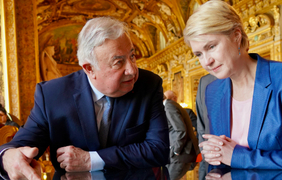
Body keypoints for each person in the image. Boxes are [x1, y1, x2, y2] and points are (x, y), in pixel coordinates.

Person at [0, 16, 169, 180]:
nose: (132, 70)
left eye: (132, 56)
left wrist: (91, 159)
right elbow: (21, 145)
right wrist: (7, 156)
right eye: (118, 62)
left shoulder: (149, 84)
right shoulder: (52, 95)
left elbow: (159, 150)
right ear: (89, 68)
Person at [183, 0, 282, 173]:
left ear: (236, 36)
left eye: (211, 46)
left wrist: (237, 157)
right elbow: (221, 158)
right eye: (199, 54)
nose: (206, 61)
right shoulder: (212, 91)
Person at [163, 90, 199, 180]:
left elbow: (180, 130)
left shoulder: (168, 105)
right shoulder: (170, 105)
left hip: (181, 154)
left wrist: (176, 150)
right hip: (180, 155)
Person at [195, 74, 216, 179]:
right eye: (199, 56)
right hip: (212, 164)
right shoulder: (205, 81)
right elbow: (202, 125)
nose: (207, 62)